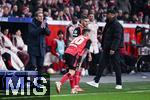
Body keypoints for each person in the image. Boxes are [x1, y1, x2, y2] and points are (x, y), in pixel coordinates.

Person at [86, 9, 124, 89]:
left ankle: (119, 84)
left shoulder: (117, 25)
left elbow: (117, 38)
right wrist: (103, 45)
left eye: (108, 14)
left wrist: (113, 48)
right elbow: (105, 36)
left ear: (113, 15)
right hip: (106, 48)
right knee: (101, 65)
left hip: (114, 49)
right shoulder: (108, 24)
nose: (107, 15)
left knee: (116, 66)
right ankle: (96, 81)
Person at [55, 29, 92, 94]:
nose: (90, 35)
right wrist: (81, 60)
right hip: (74, 54)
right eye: (89, 34)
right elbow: (85, 51)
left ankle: (73, 89)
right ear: (87, 34)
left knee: (71, 71)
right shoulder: (88, 39)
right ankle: (60, 83)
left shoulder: (78, 37)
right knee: (72, 72)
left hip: (67, 52)